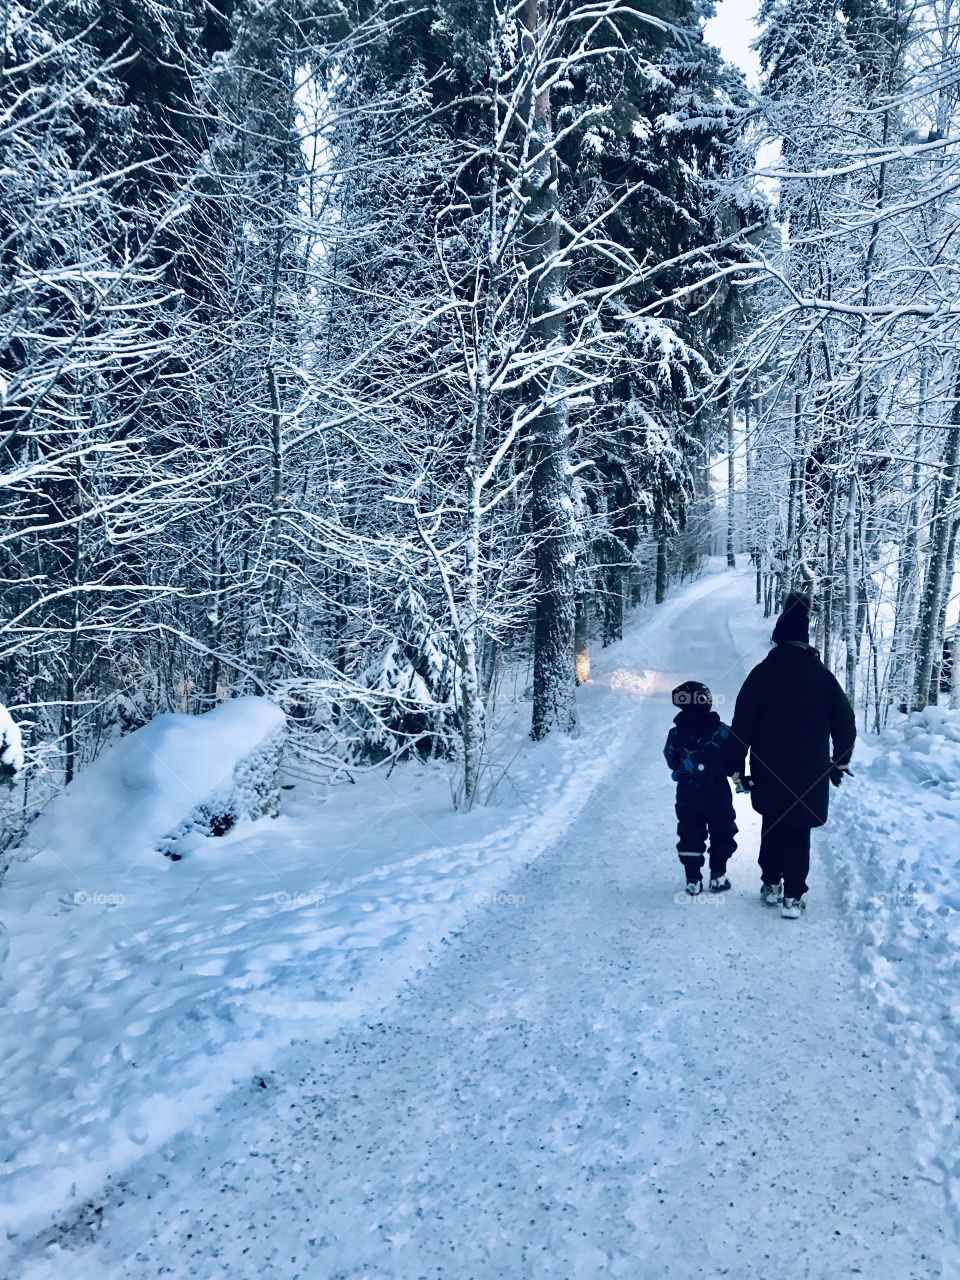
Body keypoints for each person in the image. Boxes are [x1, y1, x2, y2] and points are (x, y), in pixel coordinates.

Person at [729, 591, 856, 920]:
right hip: (809, 772)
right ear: (805, 641)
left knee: (773, 824)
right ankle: (794, 896)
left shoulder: (761, 674)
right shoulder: (823, 677)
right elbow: (846, 722)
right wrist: (839, 761)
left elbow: (741, 725)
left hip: (768, 770)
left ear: (778, 639)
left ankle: (770, 884)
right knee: (798, 829)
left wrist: (736, 769)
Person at [664, 680, 737, 896]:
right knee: (722, 829)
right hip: (718, 791)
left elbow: (671, 759)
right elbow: (733, 758)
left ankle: (693, 878)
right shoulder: (723, 732)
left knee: (690, 831)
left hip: (688, 791)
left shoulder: (675, 734)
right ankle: (718, 875)